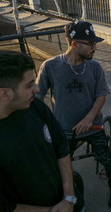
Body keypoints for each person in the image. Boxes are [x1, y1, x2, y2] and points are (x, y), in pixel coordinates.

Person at [36, 21, 111, 207]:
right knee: (59, 166)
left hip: (93, 126)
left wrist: (89, 119)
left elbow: (101, 95)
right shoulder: (50, 67)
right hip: (64, 130)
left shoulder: (95, 68)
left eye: (95, 43)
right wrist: (45, 123)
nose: (95, 48)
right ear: (74, 44)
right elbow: (37, 98)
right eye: (90, 44)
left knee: (106, 158)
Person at [0, 50, 84, 212]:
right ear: (5, 94)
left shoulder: (35, 107)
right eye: (30, 85)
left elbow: (61, 147)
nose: (37, 89)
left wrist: (69, 197)